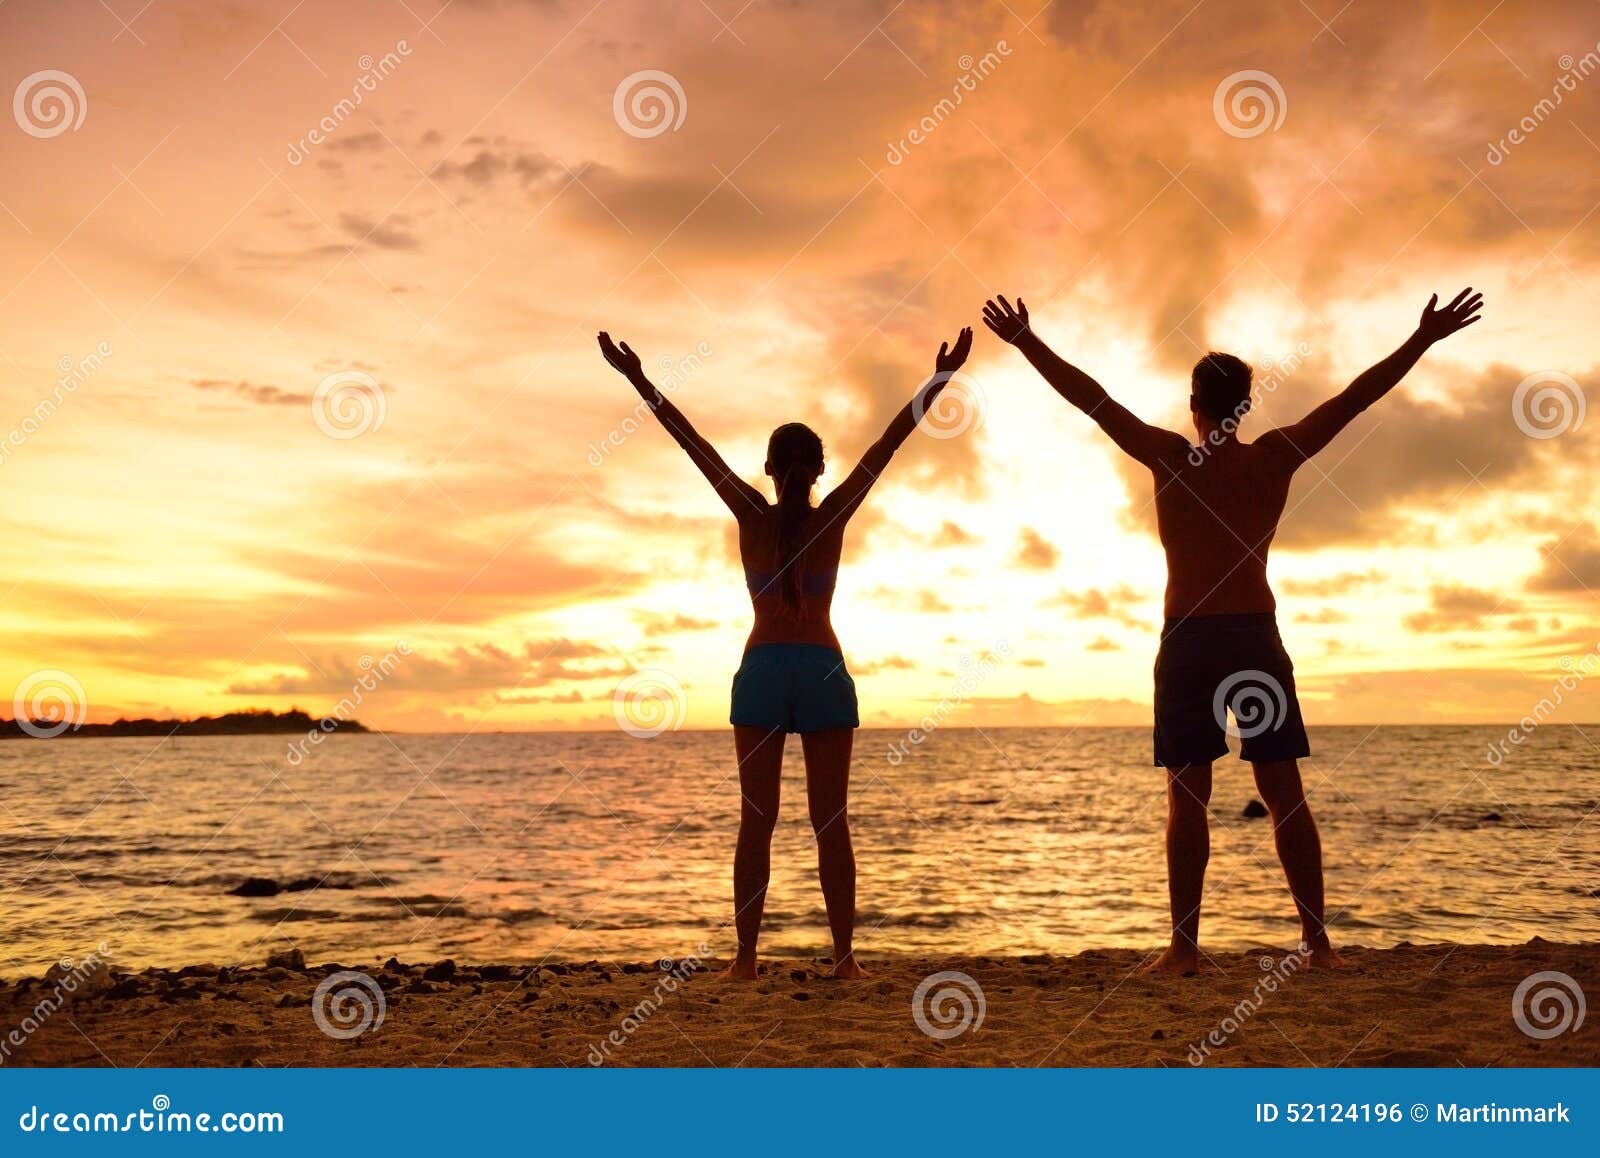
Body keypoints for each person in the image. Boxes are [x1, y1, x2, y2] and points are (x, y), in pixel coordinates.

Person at [982, 288, 1483, 974]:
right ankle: (1317, 946)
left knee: (1188, 799)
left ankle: (1184, 950)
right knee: (1284, 795)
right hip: (1252, 638)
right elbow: (1354, 399)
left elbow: (1091, 400)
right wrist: (1421, 339)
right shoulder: (1272, 457)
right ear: (1244, 406)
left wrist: (1027, 342)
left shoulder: (1167, 456)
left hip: (1189, 638)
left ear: (1194, 405)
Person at [598, 326, 975, 979]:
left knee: (757, 823)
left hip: (764, 672)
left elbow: (691, 443)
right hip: (823, 671)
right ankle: (845, 960)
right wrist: (936, 381)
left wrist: (637, 377)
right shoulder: (832, 517)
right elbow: (886, 448)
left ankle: (745, 961)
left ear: (769, 470)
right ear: (819, 472)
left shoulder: (749, 512)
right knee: (832, 823)